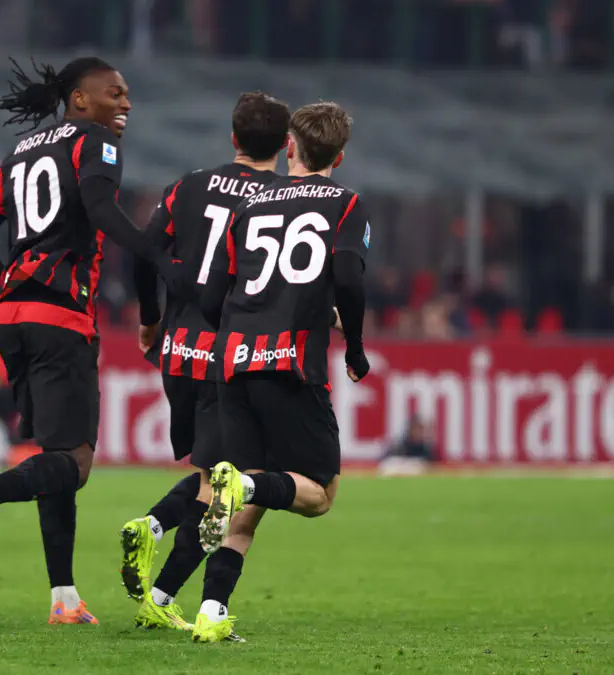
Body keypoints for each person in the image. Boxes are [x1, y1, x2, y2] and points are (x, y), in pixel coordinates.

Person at [0, 56, 192, 625]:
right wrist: (155, 251)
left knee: (55, 457)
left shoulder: (21, 153)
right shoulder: (94, 142)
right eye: (115, 93)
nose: (125, 103)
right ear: (80, 99)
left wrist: (8, 278)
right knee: (76, 463)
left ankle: (63, 598)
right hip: (60, 318)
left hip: (12, 316)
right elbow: (103, 211)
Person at [191, 101, 371, 643]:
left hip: (234, 360)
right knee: (318, 493)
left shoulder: (252, 204)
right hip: (291, 365)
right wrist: (355, 345)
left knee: (249, 501)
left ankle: (211, 613)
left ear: (290, 147)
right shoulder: (346, 204)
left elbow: (210, 295)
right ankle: (241, 483)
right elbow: (349, 278)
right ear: (339, 157)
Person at [118, 91, 291, 635]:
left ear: (234, 139)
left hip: (177, 350)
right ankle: (167, 578)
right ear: (286, 146)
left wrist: (151, 319)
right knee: (230, 487)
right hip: (231, 356)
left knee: (210, 478)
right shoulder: (283, 199)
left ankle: (156, 542)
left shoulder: (188, 185)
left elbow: (144, 251)